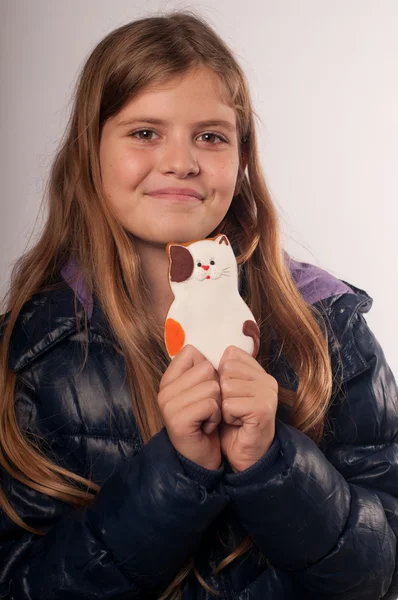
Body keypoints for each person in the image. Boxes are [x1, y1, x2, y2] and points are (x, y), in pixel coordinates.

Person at [0, 10, 397, 600]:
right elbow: (20, 584)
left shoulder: (326, 326)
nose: (180, 161)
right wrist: (178, 470)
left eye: (210, 136)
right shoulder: (36, 346)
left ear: (241, 159)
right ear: (91, 151)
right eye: (144, 132)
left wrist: (272, 461)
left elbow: (380, 569)